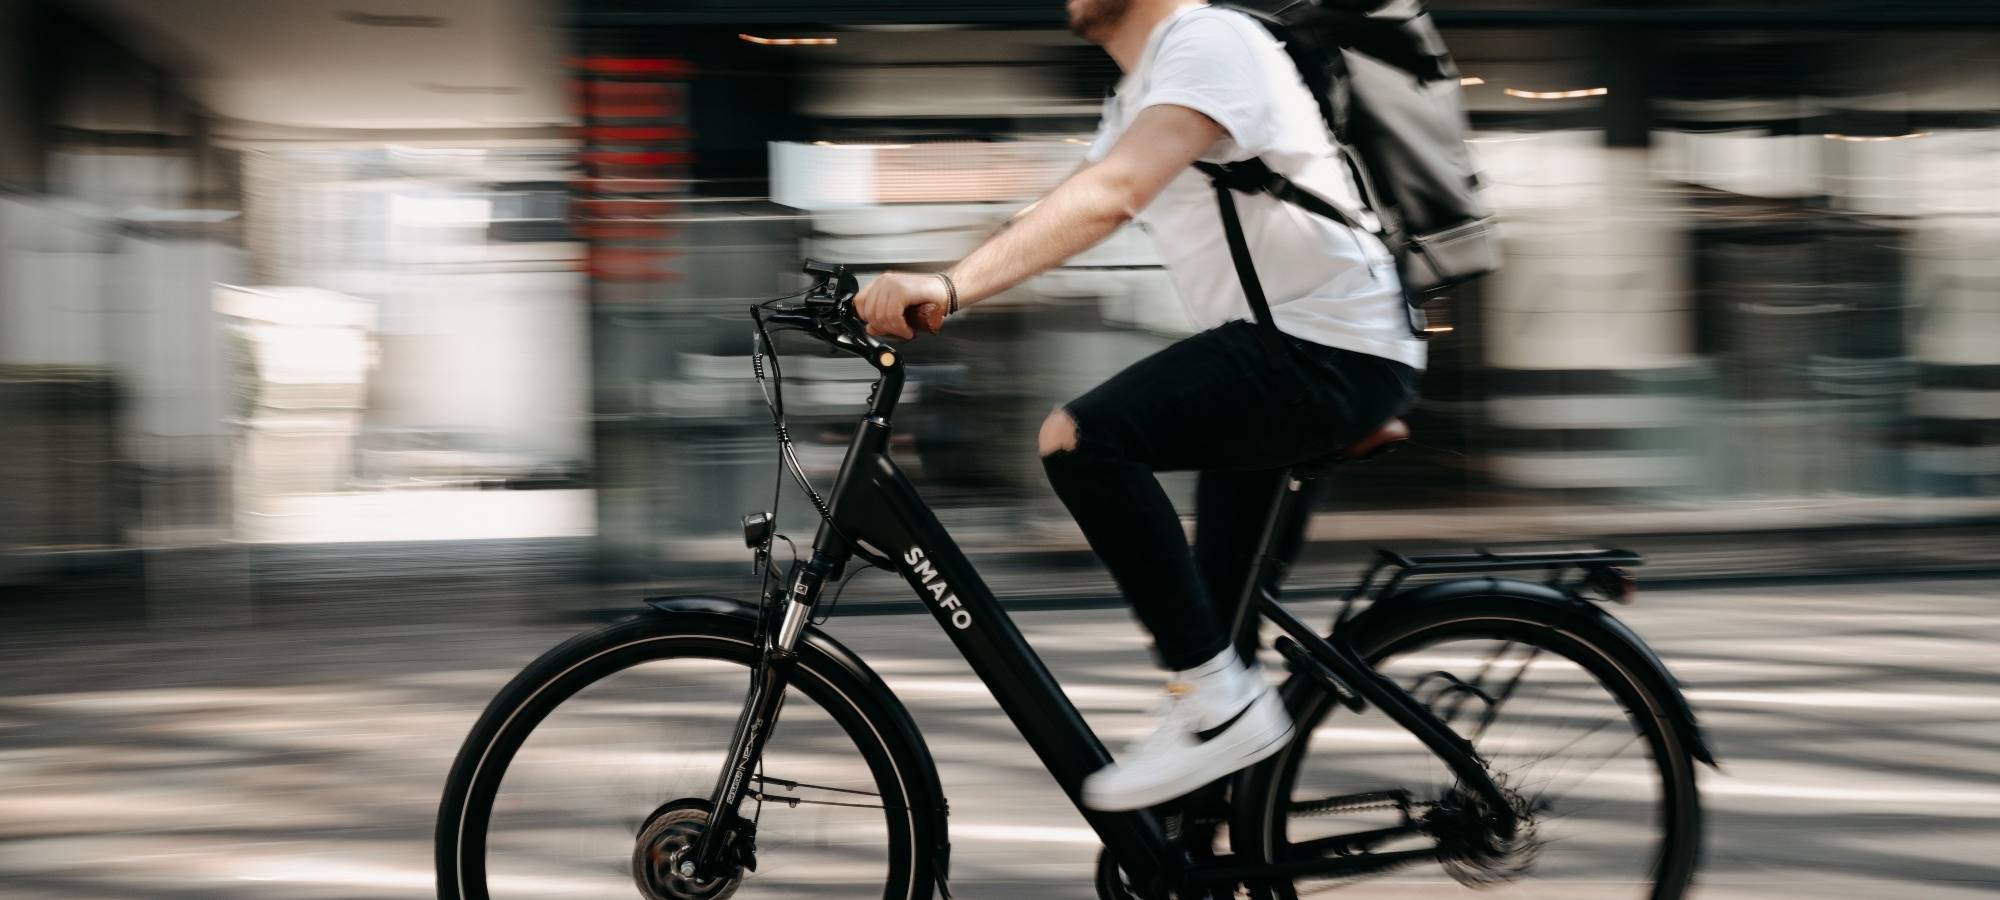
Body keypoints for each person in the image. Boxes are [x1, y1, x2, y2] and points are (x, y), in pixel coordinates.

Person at [854, 0, 1423, 812]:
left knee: (1082, 440)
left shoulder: (1210, 39)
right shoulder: (1138, 92)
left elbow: (1113, 194)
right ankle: (1213, 829)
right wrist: (898, 282)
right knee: (1214, 643)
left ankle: (1218, 713)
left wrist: (950, 288)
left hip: (1325, 345)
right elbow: (1064, 209)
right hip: (1291, 349)